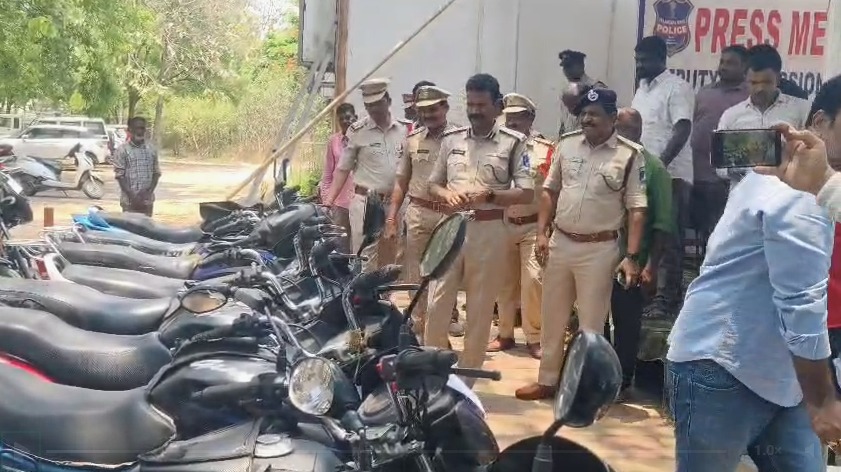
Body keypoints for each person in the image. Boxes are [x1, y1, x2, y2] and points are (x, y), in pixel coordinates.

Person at [666, 101, 841, 469]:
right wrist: (823, 401)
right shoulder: (795, 191)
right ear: (821, 121)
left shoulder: (812, 182)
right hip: (725, 367)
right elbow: (802, 304)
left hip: (787, 373)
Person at [516, 88, 647, 400]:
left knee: (591, 325)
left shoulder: (630, 155)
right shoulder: (566, 144)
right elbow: (549, 191)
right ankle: (547, 381)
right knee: (552, 316)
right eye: (584, 113)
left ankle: (583, 391)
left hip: (600, 249)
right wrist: (542, 232)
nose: (587, 119)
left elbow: (637, 208)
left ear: (612, 118)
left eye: (595, 114)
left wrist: (631, 256)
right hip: (560, 242)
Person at [425, 73, 534, 384]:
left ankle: (466, 382)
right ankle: (433, 375)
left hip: (489, 231)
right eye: (470, 104)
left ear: (497, 106)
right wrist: (446, 194)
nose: (474, 111)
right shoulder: (452, 140)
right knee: (436, 304)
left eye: (481, 105)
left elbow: (527, 192)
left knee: (480, 308)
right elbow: (432, 184)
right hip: (450, 228)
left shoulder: (514, 143)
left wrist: (490, 195)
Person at [605, 108, 674, 402]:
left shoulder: (654, 168)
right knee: (596, 321)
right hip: (598, 256)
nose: (620, 135)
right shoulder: (606, 161)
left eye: (626, 130)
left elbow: (662, 224)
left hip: (632, 261)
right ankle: (597, 377)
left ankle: (623, 382)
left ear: (639, 132)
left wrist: (651, 266)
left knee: (626, 323)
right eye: (617, 129)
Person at [385, 85, 460, 338]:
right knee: (416, 274)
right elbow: (401, 181)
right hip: (418, 213)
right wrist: (392, 217)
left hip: (449, 214)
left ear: (445, 108)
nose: (428, 115)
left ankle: (443, 325)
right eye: (423, 110)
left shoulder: (461, 139)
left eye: (433, 109)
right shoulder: (412, 140)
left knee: (446, 274)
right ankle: (418, 325)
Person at [486, 93, 553, 359]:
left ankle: (534, 337)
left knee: (534, 280)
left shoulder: (546, 149)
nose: (512, 122)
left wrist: (546, 229)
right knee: (503, 282)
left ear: (531, 118)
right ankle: (504, 334)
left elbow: (552, 191)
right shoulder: (496, 146)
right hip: (502, 223)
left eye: (518, 118)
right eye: (509, 118)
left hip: (532, 225)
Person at [631, 35, 694, 318]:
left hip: (672, 176)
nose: (639, 66)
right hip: (644, 173)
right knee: (646, 235)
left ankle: (667, 299)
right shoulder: (641, 90)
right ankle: (647, 293)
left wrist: (660, 166)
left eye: (644, 61)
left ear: (661, 59)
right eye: (637, 60)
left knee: (668, 237)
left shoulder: (677, 87)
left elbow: (682, 129)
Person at [324, 78, 409, 268]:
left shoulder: (405, 129)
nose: (373, 110)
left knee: (392, 258)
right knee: (365, 257)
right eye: (369, 105)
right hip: (366, 204)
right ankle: (362, 287)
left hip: (396, 204)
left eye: (378, 104)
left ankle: (386, 289)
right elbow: (342, 169)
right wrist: (328, 202)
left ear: (388, 101)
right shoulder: (357, 131)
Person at [716, 44, 811, 189]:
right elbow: (719, 166)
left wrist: (784, 155)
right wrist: (745, 165)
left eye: (767, 82)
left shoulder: (802, 109)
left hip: (786, 194)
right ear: (745, 79)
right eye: (754, 83)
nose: (760, 89)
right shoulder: (731, 115)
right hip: (744, 196)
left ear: (778, 78)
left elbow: (814, 155)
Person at [691, 45, 749, 250]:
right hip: (699, 174)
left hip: (730, 179)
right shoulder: (705, 93)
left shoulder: (748, 96)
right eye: (722, 62)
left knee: (723, 233)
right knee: (701, 230)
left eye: (731, 63)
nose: (723, 67)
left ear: (745, 67)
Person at [320, 103, 357, 252]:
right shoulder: (333, 141)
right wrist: (327, 202)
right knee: (340, 247)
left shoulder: (363, 141)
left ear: (355, 118)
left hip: (360, 204)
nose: (345, 121)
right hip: (339, 204)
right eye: (341, 119)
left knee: (359, 248)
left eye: (348, 117)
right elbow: (328, 175)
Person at [112, 116, 160, 217]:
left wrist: (149, 192)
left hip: (147, 202)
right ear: (130, 130)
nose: (140, 131)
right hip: (129, 203)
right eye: (137, 128)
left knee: (146, 227)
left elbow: (156, 173)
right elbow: (120, 176)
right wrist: (132, 196)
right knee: (130, 227)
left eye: (142, 128)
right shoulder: (122, 150)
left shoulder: (151, 149)